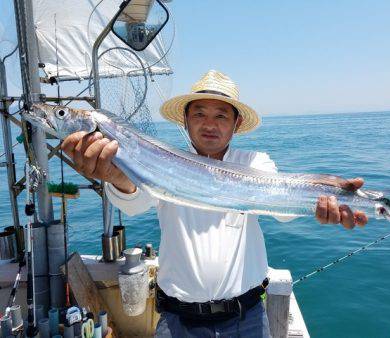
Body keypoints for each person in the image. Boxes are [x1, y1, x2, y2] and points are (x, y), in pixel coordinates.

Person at [61, 70, 368, 337]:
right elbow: (134, 201)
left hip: (246, 319)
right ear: (185, 120)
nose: (210, 124)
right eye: (199, 114)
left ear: (236, 124)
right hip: (177, 321)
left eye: (221, 115)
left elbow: (281, 203)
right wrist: (117, 177)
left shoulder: (254, 163)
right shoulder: (162, 163)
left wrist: (323, 199)